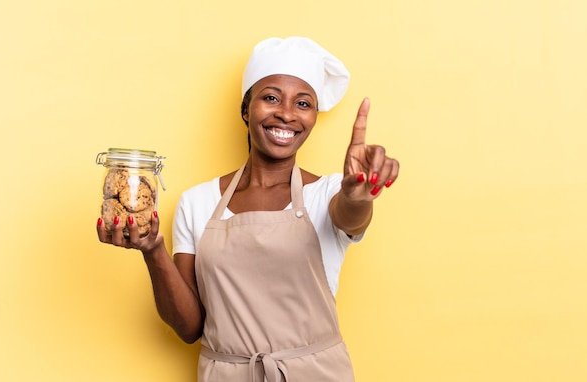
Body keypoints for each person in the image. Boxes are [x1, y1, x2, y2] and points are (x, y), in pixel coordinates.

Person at [97, 36, 399, 382]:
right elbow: (189, 327)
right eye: (271, 97)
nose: (286, 113)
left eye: (303, 103)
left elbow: (350, 214)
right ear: (246, 109)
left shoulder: (328, 193)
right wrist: (152, 251)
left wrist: (359, 195)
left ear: (314, 116)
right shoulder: (197, 202)